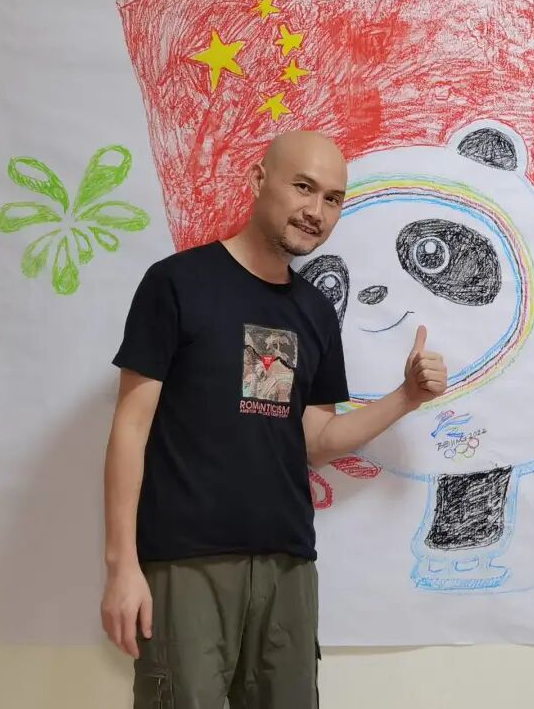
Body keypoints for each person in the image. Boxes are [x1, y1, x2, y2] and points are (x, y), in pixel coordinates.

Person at [100, 130, 447, 708]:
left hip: (287, 566)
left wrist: (406, 397)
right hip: (186, 563)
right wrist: (121, 566)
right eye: (303, 187)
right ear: (259, 179)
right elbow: (130, 428)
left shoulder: (314, 310)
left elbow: (318, 440)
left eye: (332, 198)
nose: (316, 211)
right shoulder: (177, 283)